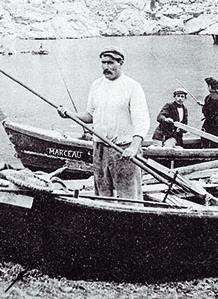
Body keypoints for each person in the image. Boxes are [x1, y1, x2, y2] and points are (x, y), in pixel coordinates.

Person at [59, 46, 150, 200]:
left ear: (121, 63)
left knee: (129, 196)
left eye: (110, 63)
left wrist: (134, 147)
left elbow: (142, 122)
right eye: (103, 63)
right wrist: (70, 115)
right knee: (102, 194)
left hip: (123, 150)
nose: (106, 67)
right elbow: (90, 115)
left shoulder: (133, 87)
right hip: (100, 149)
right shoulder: (96, 85)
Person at [200, 77, 218, 148]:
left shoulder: (209, 97)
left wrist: (204, 107)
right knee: (217, 139)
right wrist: (203, 105)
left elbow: (207, 111)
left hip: (211, 122)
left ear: (210, 86)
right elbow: (215, 108)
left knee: (206, 138)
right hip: (217, 121)